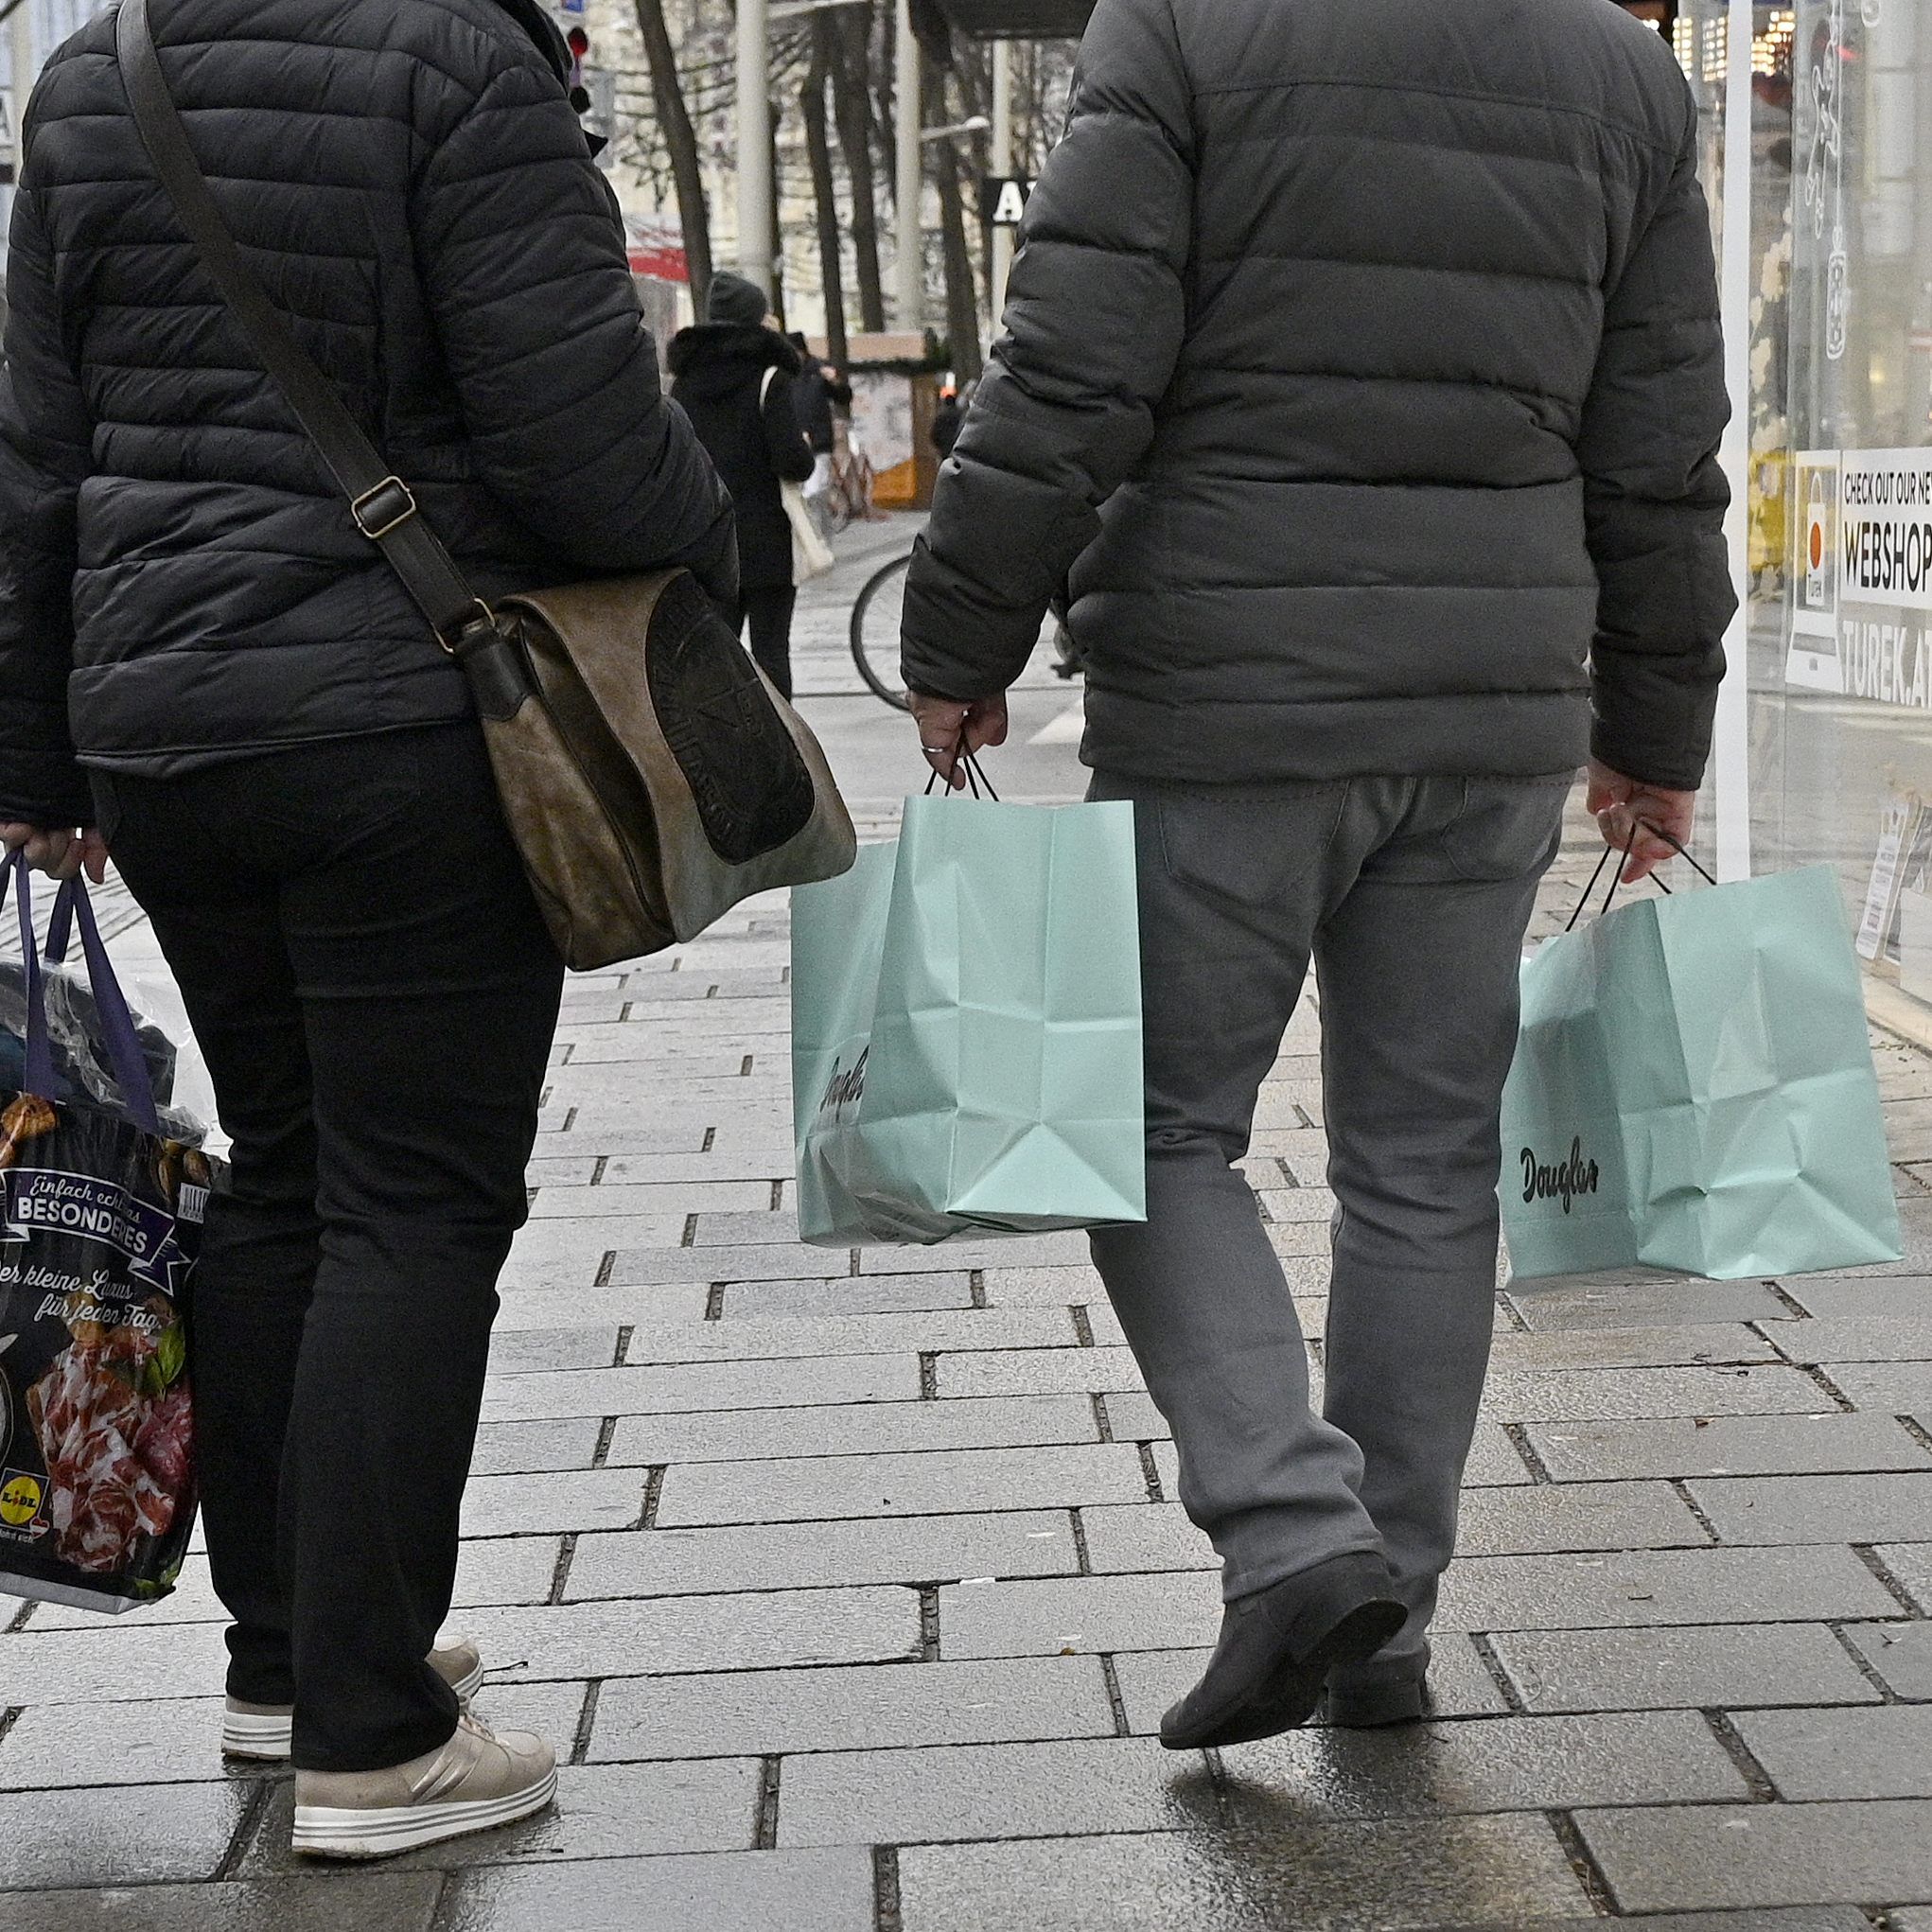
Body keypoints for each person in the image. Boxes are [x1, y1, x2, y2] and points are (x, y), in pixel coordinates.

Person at [902, 0, 1730, 1749]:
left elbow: (1072, 368)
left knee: (1146, 1119)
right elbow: (1657, 442)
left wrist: (961, 627)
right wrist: (1656, 722)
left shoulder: (1186, 32)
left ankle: (1291, 1536)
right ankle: (1384, 1625)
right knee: (1424, 1160)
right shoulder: (1619, 72)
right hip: (1494, 706)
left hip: (1224, 696)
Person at [0, 0, 733, 1859]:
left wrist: (35, 752)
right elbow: (582, 442)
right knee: (416, 1197)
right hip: (405, 724)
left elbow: (30, 457)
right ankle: (376, 1731)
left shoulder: (101, 71)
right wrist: (701, 525)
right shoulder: (461, 68)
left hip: (161, 734)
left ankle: (290, 1656)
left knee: (295, 1177)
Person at [671, 275, 817, 698]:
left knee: (716, 657)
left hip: (708, 541)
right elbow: (792, 462)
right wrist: (803, 449)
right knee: (771, 652)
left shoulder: (684, 384)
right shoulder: (770, 379)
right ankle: (780, 750)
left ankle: (724, 750)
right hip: (767, 540)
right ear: (755, 319)